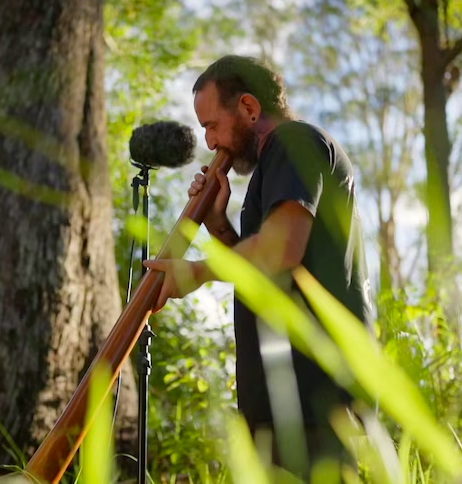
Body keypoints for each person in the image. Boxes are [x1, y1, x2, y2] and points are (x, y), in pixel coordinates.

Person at [142, 55, 374, 479]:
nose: (210, 143)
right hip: (281, 406)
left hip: (314, 404)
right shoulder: (270, 174)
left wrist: (195, 272)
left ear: (249, 108)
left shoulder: (295, 143)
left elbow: (281, 248)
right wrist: (218, 224)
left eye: (212, 125)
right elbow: (266, 275)